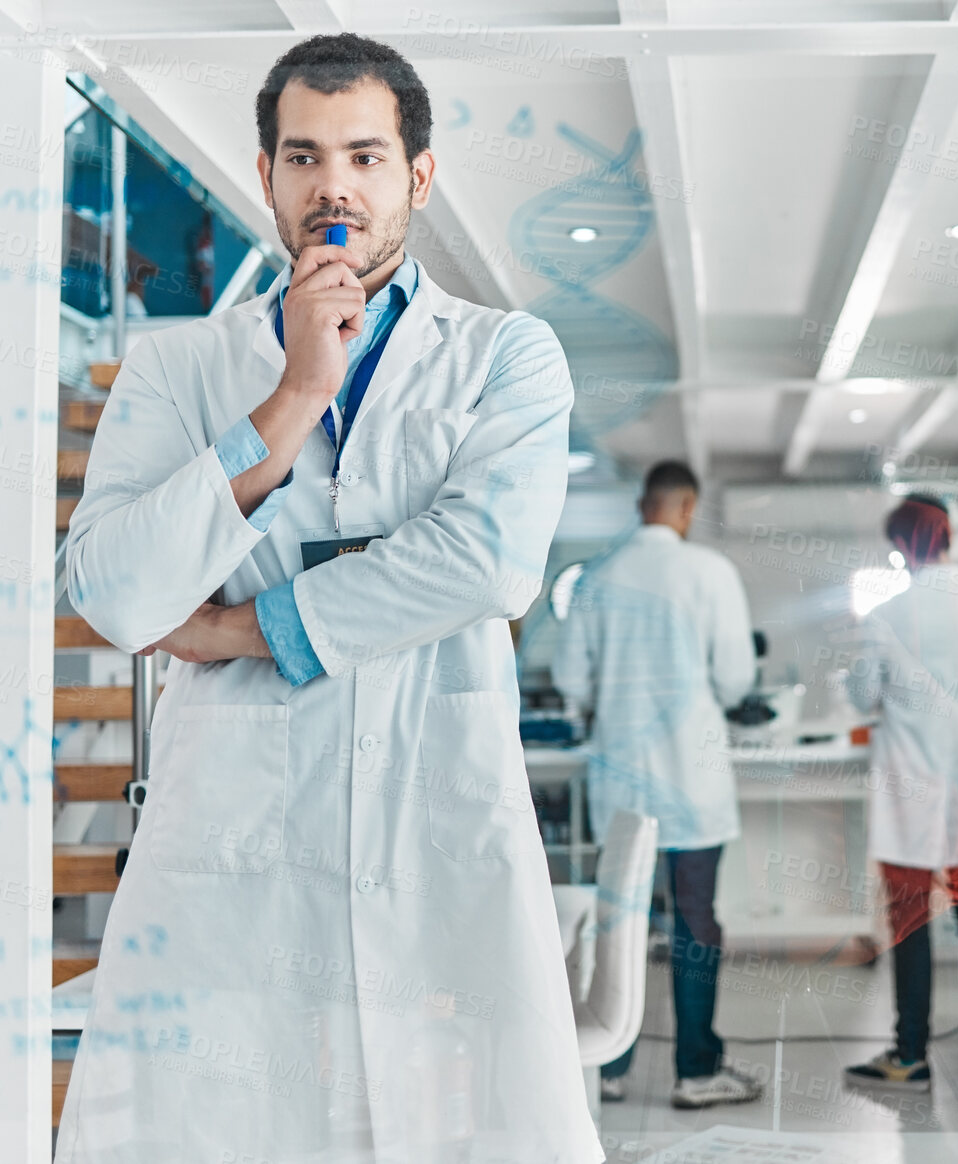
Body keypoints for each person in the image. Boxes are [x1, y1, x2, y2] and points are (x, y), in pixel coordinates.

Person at [58, 34, 601, 1162]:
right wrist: (293, 398)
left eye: (364, 153)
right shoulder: (177, 370)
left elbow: (488, 561)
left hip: (435, 836)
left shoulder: (507, 356)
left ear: (417, 175)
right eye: (302, 157)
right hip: (230, 860)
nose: (332, 187)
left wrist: (238, 626)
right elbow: (113, 593)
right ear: (266, 177)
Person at [552, 460, 764, 1109]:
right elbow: (734, 680)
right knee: (694, 920)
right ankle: (697, 1071)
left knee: (617, 920)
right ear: (687, 507)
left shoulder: (595, 578)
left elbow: (571, 683)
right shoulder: (710, 573)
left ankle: (609, 1066)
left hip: (620, 784)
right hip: (692, 780)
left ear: (643, 504)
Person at [843, 495, 958, 1092]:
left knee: (910, 925)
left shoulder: (888, 613)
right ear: (949, 536)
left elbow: (863, 696)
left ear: (901, 547)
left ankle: (910, 1053)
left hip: (909, 796)